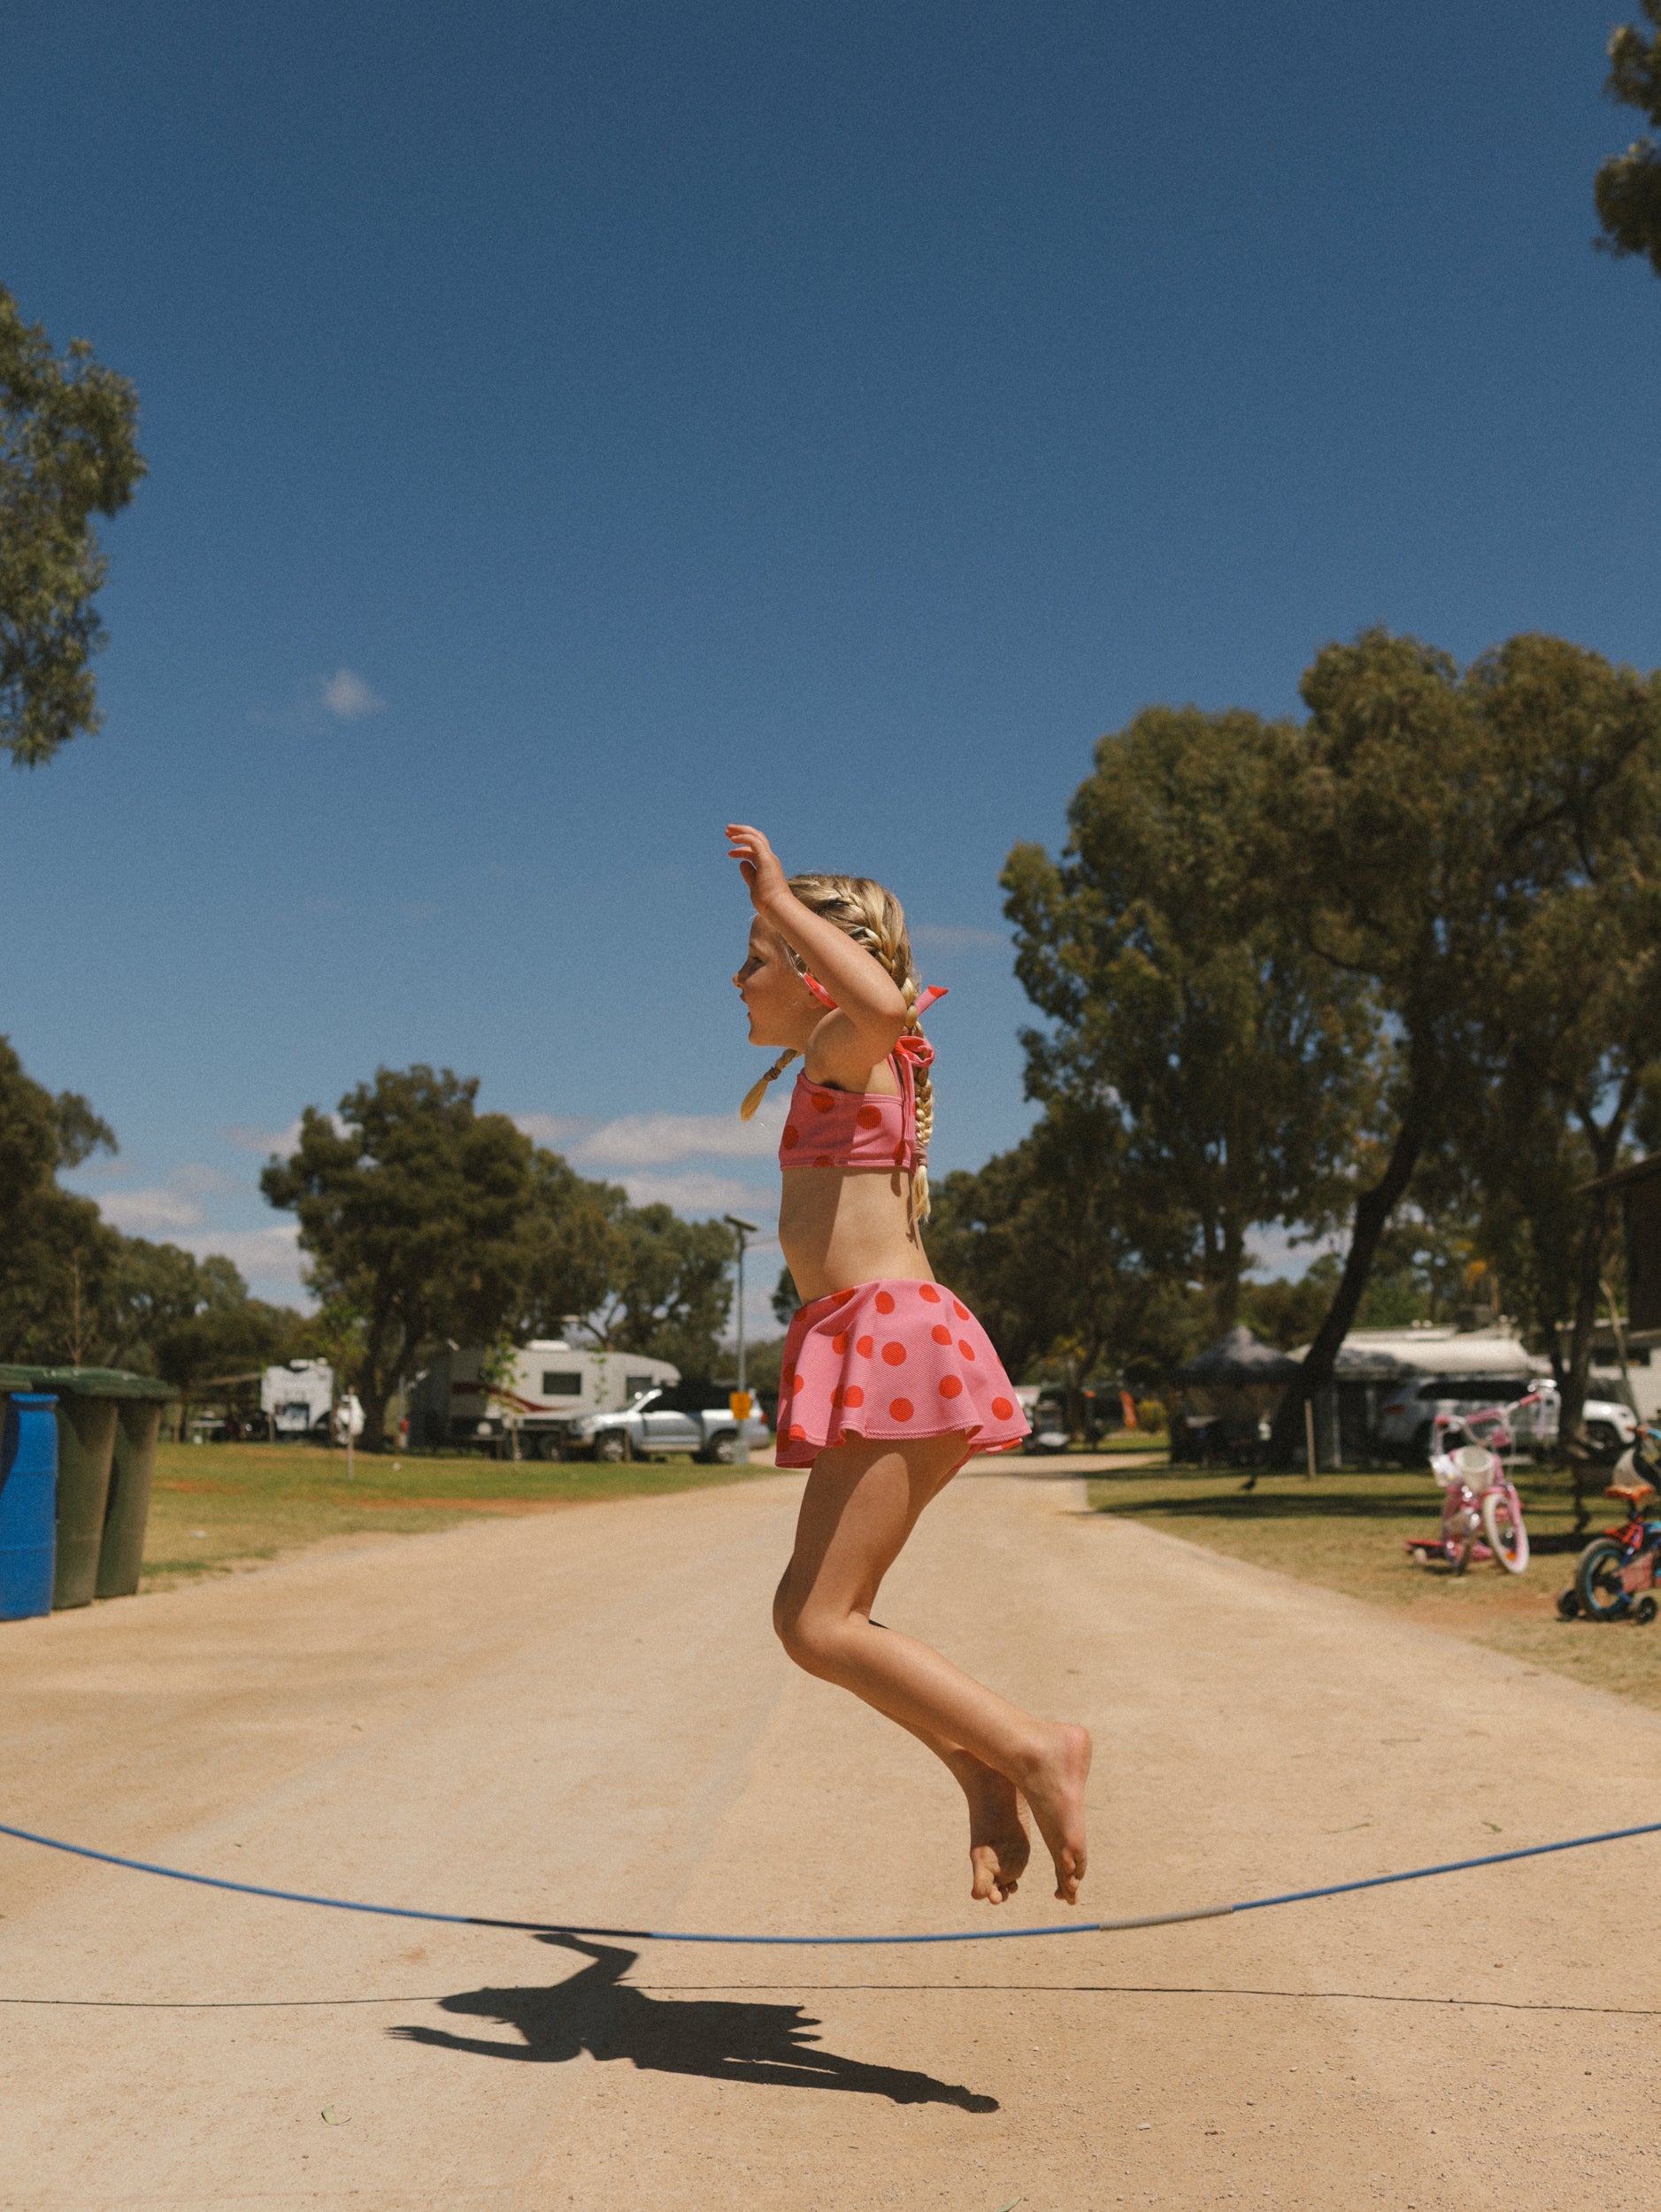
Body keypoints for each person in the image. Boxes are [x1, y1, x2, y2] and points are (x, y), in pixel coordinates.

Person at [727, 823, 1091, 1908]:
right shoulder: (827, 1070)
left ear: (809, 967)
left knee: (818, 1620)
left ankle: (1033, 1749)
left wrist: (782, 903)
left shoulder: (855, 1046)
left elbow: (881, 1003)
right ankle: (980, 1766)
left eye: (757, 957)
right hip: (874, 1339)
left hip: (892, 1341)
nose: (739, 977)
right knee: (813, 1622)